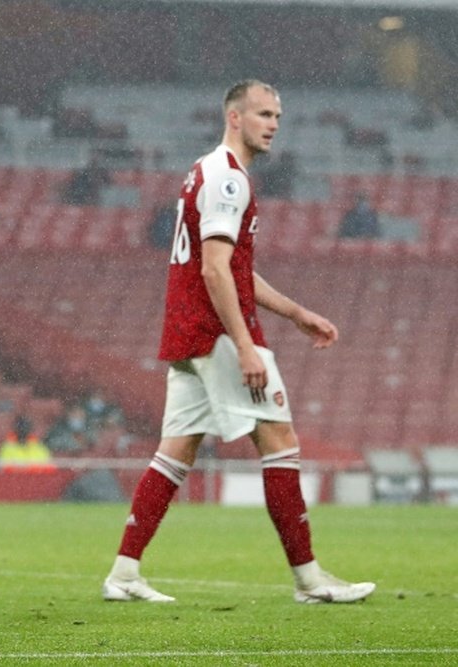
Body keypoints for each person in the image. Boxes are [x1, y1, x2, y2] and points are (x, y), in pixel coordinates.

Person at [102, 80, 375, 605]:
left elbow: (234, 269)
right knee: (280, 442)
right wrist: (247, 345)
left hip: (188, 332)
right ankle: (310, 579)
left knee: (175, 452)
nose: (273, 123)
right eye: (263, 113)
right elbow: (214, 269)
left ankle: (124, 572)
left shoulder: (207, 172)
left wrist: (296, 313)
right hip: (217, 334)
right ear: (234, 116)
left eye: (278, 115)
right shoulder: (228, 179)